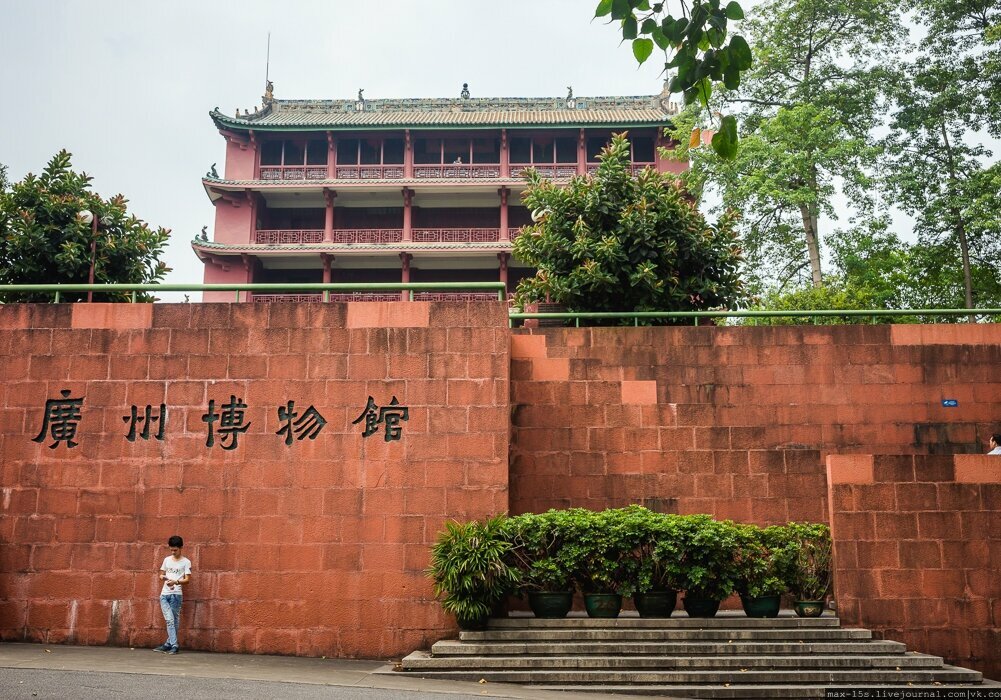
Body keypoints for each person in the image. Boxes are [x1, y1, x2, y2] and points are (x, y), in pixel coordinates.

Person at [153, 535, 191, 654]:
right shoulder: (167, 560)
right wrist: (163, 577)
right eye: (171, 550)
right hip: (164, 594)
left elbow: (187, 579)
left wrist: (176, 581)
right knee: (169, 620)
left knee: (174, 620)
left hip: (176, 595)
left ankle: (168, 644)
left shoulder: (186, 562)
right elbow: (161, 574)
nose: (173, 552)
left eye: (175, 550)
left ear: (181, 548)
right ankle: (174, 645)